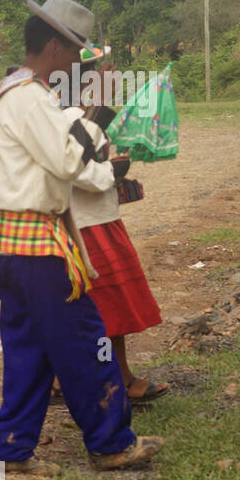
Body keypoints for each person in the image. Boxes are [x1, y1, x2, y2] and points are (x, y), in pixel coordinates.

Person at [0, 0, 162, 473]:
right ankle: (112, 442)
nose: (77, 62)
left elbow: (63, 165)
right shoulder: (31, 99)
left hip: (8, 244)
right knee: (84, 341)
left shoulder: (12, 91)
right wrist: (99, 112)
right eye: (75, 52)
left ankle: (9, 449)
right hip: (39, 250)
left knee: (29, 350)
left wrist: (102, 167)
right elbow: (70, 161)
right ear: (54, 47)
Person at [67, 47, 167, 403]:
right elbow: (75, 170)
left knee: (108, 309)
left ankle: (98, 376)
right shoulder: (66, 116)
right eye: (91, 72)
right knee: (104, 309)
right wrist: (112, 171)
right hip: (86, 226)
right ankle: (119, 378)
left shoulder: (85, 114)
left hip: (102, 218)